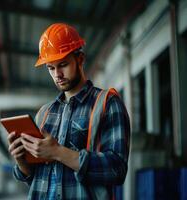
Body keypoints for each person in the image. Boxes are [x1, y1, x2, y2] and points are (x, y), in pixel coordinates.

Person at [7, 23, 130, 200]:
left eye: (63, 64)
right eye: (51, 68)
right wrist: (21, 160)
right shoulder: (44, 113)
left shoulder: (107, 104)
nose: (57, 74)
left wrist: (57, 151)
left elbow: (117, 169)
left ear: (80, 59)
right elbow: (35, 178)